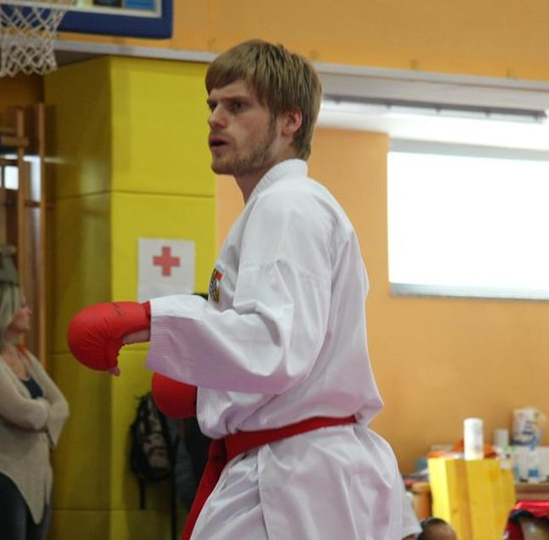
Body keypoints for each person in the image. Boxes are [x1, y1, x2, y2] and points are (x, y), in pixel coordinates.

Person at [67, 39, 403, 539]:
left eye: (237, 105)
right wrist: (207, 379)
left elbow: (275, 345)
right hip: (290, 466)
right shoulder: (279, 206)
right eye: (212, 105)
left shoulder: (287, 205)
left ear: (290, 121)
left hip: (294, 477)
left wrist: (152, 321)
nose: (215, 119)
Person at [0, 278, 69, 540]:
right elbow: (24, 414)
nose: (29, 311)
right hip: (2, 471)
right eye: (22, 305)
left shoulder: (24, 356)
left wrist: (38, 413)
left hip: (39, 473)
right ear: (2, 310)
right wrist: (43, 411)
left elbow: (63, 406)